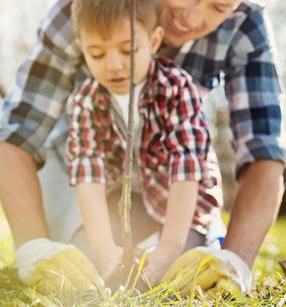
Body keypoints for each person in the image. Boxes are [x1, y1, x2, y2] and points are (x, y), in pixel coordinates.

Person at [0, 0, 286, 295]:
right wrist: (33, 247)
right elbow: (19, 134)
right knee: (86, 258)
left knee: (192, 258)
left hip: (175, 179)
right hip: (86, 173)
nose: (191, 16)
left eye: (218, 7)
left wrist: (235, 258)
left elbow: (263, 151)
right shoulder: (82, 10)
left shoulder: (240, 29)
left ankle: (202, 241)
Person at [66, 0, 223, 287]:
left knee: (179, 269)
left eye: (128, 50)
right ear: (82, 48)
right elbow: (88, 179)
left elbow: (185, 172)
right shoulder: (85, 102)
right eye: (97, 54)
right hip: (131, 201)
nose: (114, 65)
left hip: (183, 204)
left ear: (154, 41)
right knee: (83, 258)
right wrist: (103, 249)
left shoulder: (176, 88)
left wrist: (170, 246)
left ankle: (208, 240)